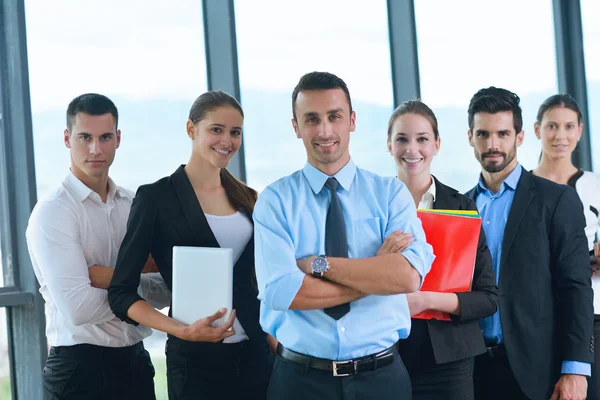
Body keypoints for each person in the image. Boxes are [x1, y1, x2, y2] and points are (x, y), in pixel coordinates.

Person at [253, 71, 435, 399]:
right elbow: (284, 293)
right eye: (311, 119)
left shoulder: (390, 194)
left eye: (334, 117)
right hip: (300, 381)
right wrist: (375, 272)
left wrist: (317, 265)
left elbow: (407, 278)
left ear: (351, 120)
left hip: (382, 381)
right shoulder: (275, 201)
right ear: (296, 127)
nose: (324, 131)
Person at [107, 90, 274, 400]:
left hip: (257, 357)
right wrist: (180, 329)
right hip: (196, 364)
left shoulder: (249, 199)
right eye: (216, 129)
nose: (227, 140)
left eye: (235, 132)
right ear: (191, 129)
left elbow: (263, 277)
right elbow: (120, 293)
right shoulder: (156, 198)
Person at [26, 93, 170, 399]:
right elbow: (78, 309)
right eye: (84, 137)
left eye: (105, 137)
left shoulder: (134, 205)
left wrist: (103, 277)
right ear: (67, 139)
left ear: (118, 139)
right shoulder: (53, 212)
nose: (95, 149)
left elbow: (169, 286)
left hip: (136, 364)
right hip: (79, 370)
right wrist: (135, 284)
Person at [464, 87, 594, 400]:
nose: (492, 144)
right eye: (483, 134)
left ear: (520, 137)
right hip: (471, 370)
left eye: (503, 134)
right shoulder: (460, 207)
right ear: (470, 137)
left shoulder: (557, 200)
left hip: (537, 370)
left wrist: (576, 369)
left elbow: (576, 288)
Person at [387, 100, 498, 399]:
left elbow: (488, 298)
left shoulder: (462, 207)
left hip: (450, 362)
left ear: (436, 144)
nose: (412, 149)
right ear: (389, 145)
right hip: (385, 358)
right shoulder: (371, 206)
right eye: (402, 139)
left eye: (422, 139)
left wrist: (425, 300)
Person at [531, 93, 600, 400]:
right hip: (538, 319)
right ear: (536, 130)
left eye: (569, 126)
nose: (561, 135)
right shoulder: (521, 190)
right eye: (552, 126)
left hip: (592, 317)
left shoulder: (596, 186)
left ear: (580, 131)